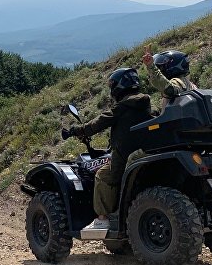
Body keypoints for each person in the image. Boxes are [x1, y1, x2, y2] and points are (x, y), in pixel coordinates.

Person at [61, 68, 152, 230]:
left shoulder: (122, 107)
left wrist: (75, 130)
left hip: (125, 156)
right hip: (146, 152)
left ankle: (102, 219)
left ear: (119, 87)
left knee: (103, 175)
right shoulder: (146, 105)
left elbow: (97, 124)